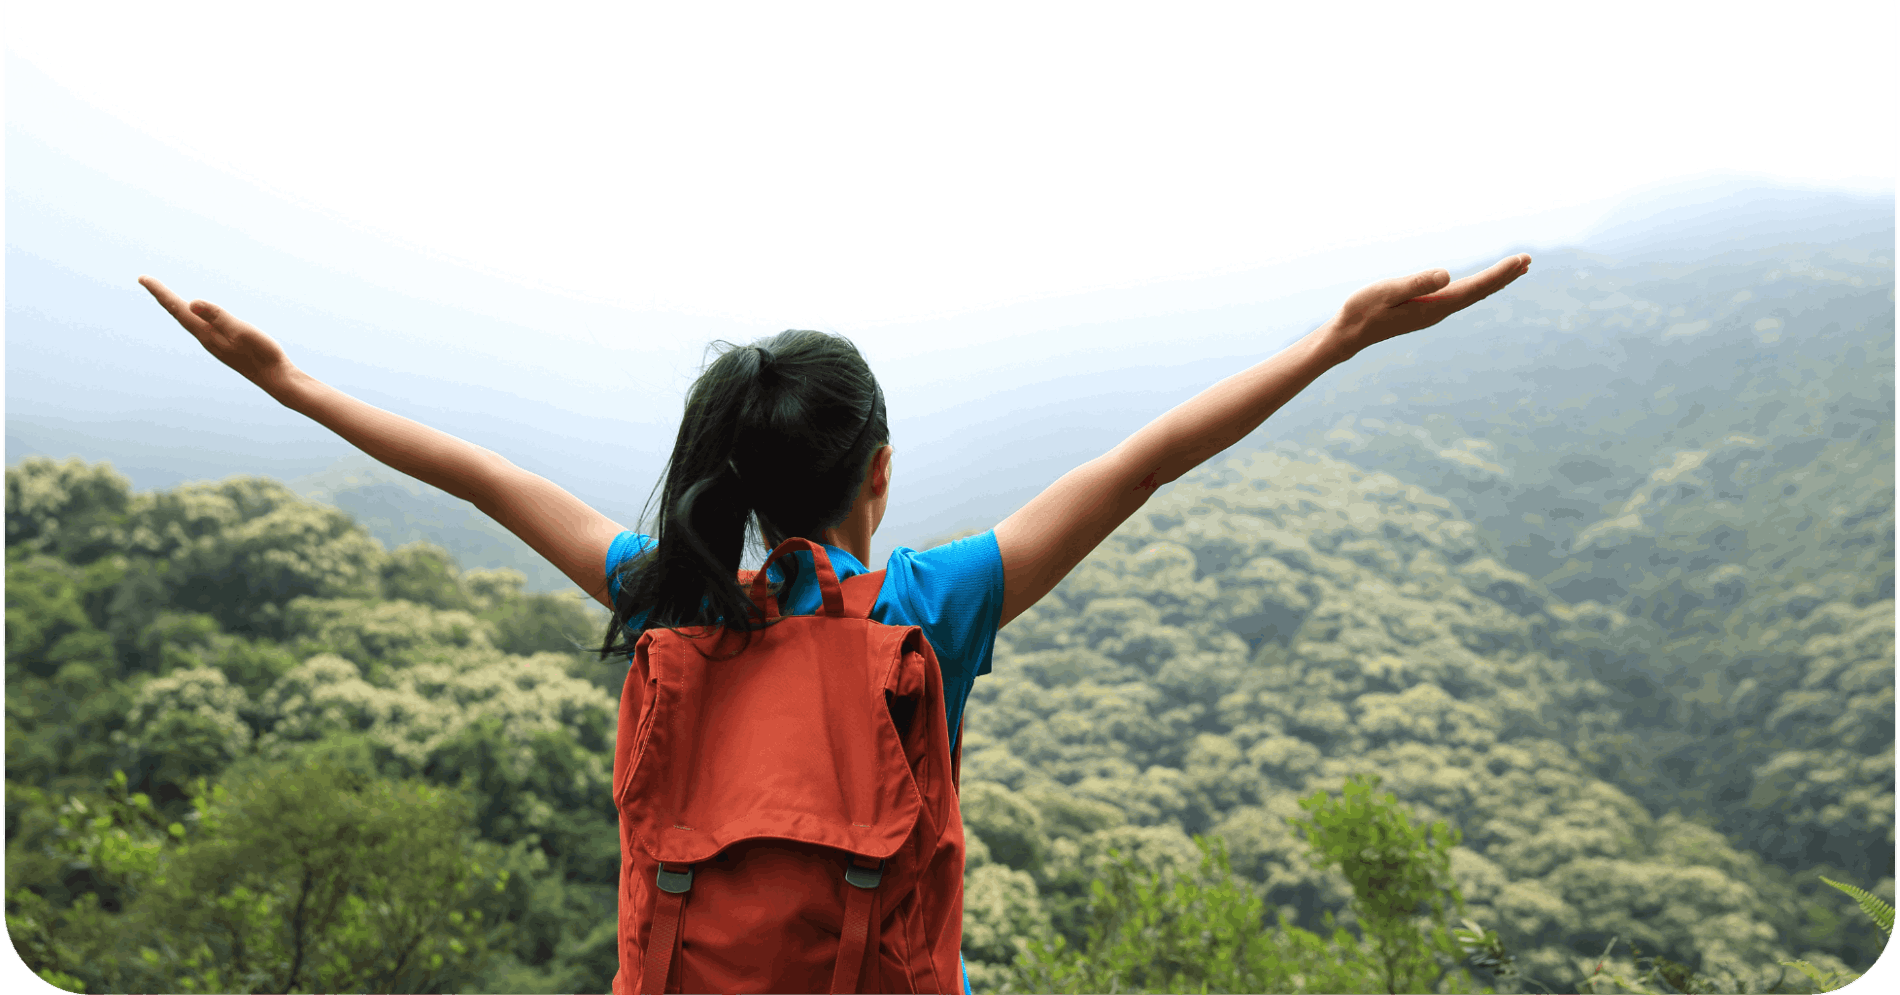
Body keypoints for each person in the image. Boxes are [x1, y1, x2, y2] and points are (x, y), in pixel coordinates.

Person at [139, 252, 1531, 994]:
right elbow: (1150, 456)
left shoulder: (668, 592)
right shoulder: (928, 606)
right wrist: (1338, 339)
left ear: (727, 483)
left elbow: (476, 473)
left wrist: (292, 383)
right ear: (880, 467)